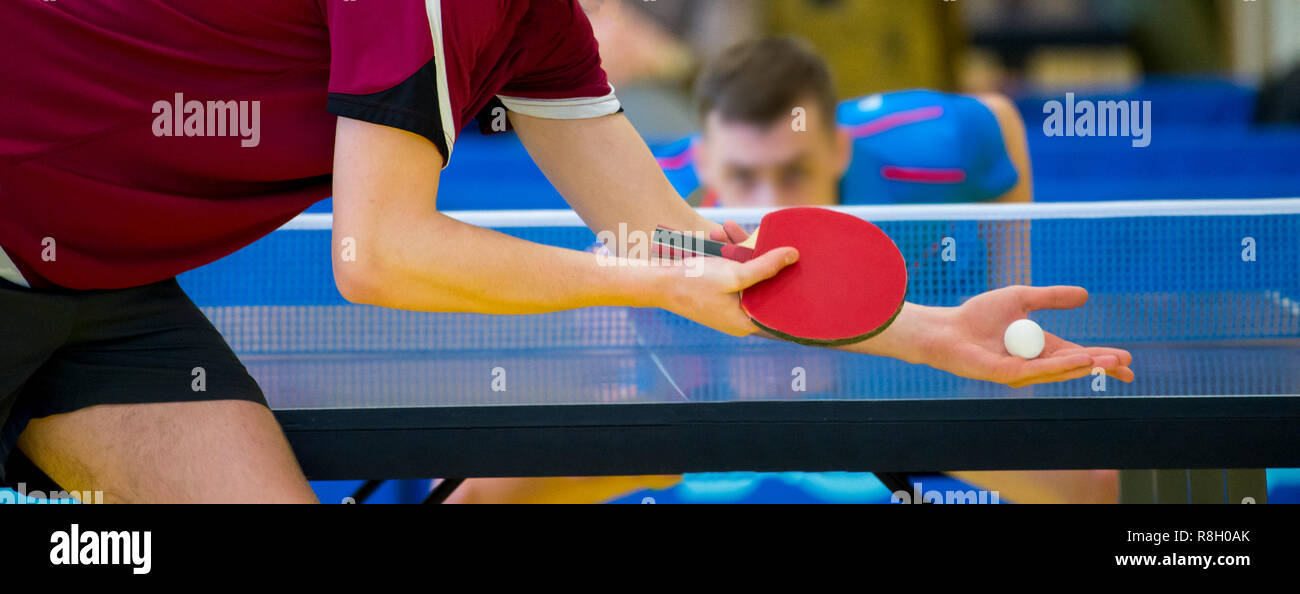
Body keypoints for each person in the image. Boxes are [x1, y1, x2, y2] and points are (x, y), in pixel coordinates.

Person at [1, 3, 1130, 503]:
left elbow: (686, 245)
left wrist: (931, 335)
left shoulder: (539, 27)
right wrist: (648, 277)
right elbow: (377, 253)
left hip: (103, 294)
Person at [448, 38, 1124, 504]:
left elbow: (1002, 125)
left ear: (838, 146)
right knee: (480, 492)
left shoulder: (929, 148)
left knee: (1090, 483)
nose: (769, 202)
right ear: (705, 163)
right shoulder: (657, 195)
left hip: (899, 371)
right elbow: (608, 302)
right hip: (709, 382)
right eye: (743, 175)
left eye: (794, 170)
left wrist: (1010, 300)